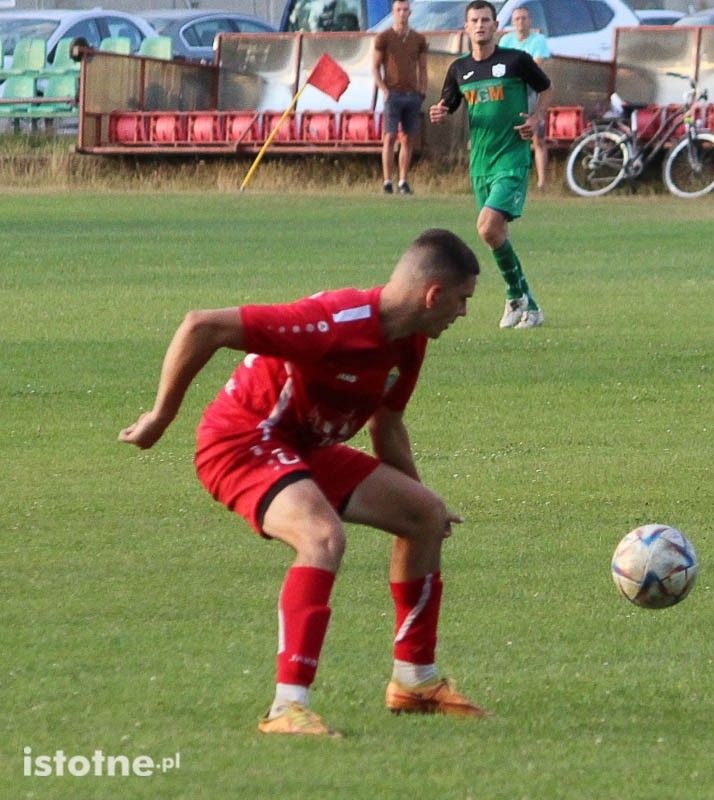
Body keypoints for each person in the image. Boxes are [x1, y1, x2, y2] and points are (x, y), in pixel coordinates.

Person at [119, 229, 486, 736]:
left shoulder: (409, 342)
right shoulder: (333, 323)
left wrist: (419, 498)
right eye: (463, 299)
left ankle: (415, 681)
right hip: (241, 440)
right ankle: (286, 708)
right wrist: (160, 417)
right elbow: (202, 325)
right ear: (433, 294)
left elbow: (386, 425)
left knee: (424, 516)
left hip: (304, 447)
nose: (463, 312)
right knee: (322, 537)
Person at [429, 0, 551, 330]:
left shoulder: (517, 61)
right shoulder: (459, 69)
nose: (480, 25)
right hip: (480, 162)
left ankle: (514, 295)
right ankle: (529, 305)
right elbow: (448, 104)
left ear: (496, 26)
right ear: (466, 27)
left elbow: (546, 87)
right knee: (495, 234)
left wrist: (536, 119)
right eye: (475, 20)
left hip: (511, 158)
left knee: (486, 227)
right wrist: (439, 112)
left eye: (486, 20)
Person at [374, 0, 429, 194]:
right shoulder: (384, 37)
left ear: (410, 13)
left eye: (405, 10)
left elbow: (423, 67)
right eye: (399, 10)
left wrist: (422, 90)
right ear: (393, 12)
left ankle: (403, 180)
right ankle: (387, 180)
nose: (402, 13)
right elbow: (375, 67)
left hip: (412, 94)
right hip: (393, 93)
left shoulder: (418, 39)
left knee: (408, 138)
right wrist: (384, 89)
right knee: (389, 136)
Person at [498, 6, 551, 190]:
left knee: (537, 138)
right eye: (517, 19)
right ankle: (509, 177)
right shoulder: (506, 40)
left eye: (524, 18)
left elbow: (535, 66)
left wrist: (515, 71)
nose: (521, 22)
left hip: (531, 93)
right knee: (509, 137)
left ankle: (542, 182)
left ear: (530, 21)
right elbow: (501, 65)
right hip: (509, 94)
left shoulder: (538, 41)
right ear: (512, 22)